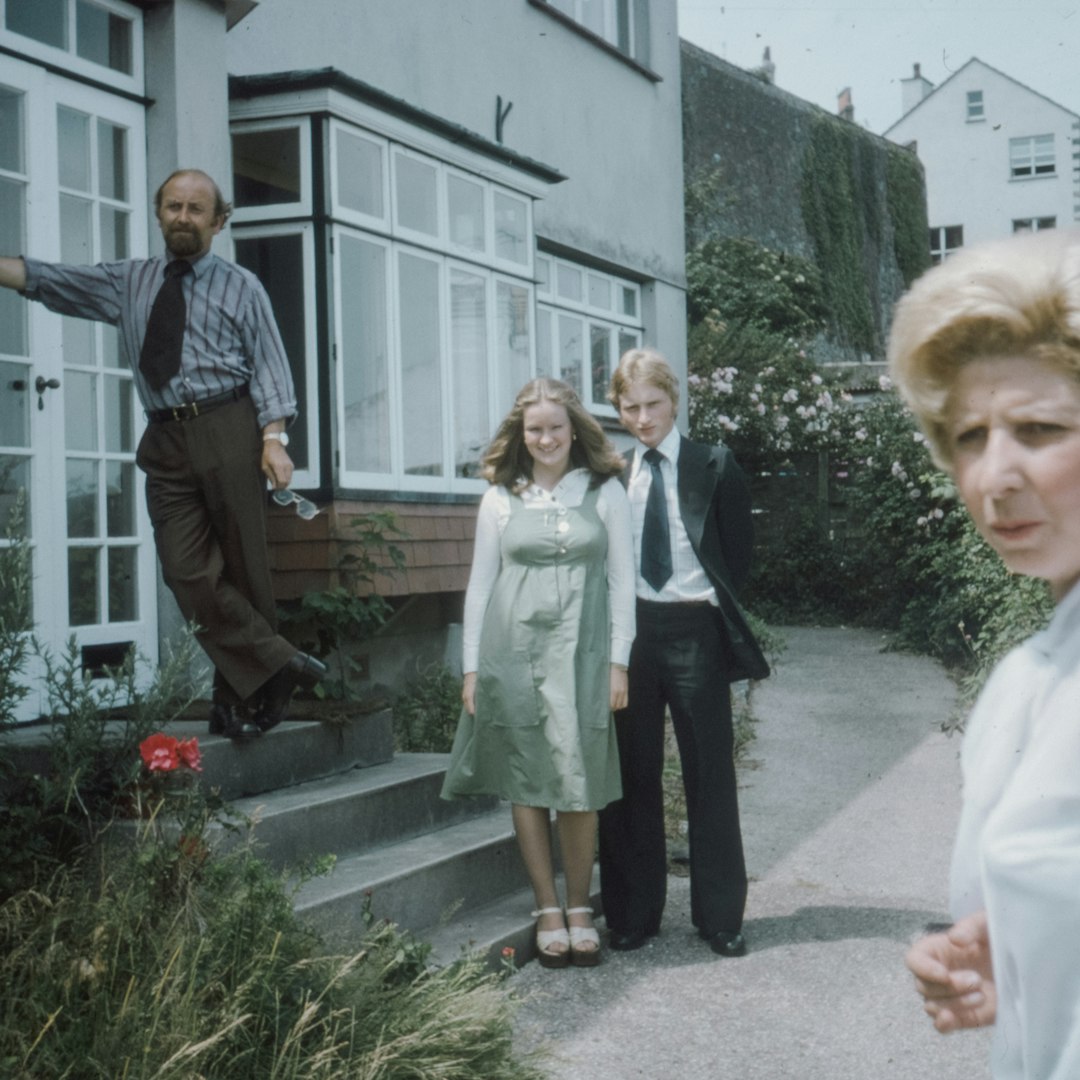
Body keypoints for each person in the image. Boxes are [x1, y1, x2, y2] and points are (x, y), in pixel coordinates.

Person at [0, 168, 326, 739]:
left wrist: (274, 439)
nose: (182, 217)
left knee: (244, 571)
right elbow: (50, 279)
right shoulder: (130, 282)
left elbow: (272, 365)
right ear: (158, 213)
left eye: (196, 209)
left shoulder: (242, 286)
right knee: (187, 574)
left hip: (230, 429)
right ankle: (279, 665)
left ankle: (235, 705)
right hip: (165, 438)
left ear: (218, 221)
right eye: (173, 206)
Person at [893, 228, 1080, 1078]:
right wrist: (1008, 957)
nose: (995, 474)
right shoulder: (1023, 682)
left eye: (1038, 428)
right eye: (970, 436)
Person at [441, 377, 635, 967]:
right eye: (535, 430)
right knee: (527, 777)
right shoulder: (500, 496)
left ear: (573, 428)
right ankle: (545, 907)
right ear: (520, 435)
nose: (545, 438)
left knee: (578, 778)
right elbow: (479, 587)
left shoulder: (604, 491)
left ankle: (580, 906)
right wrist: (472, 669)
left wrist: (619, 662)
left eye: (554, 427)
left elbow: (623, 583)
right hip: (512, 655)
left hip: (584, 654)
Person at [597, 347, 769, 957]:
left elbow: (737, 555)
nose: (643, 418)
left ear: (674, 400)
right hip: (632, 633)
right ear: (618, 409)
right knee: (631, 772)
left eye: (653, 404)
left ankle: (720, 916)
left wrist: (703, 612)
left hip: (695, 629)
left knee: (709, 772)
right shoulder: (611, 473)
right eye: (631, 407)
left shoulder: (712, 464)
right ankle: (633, 914)